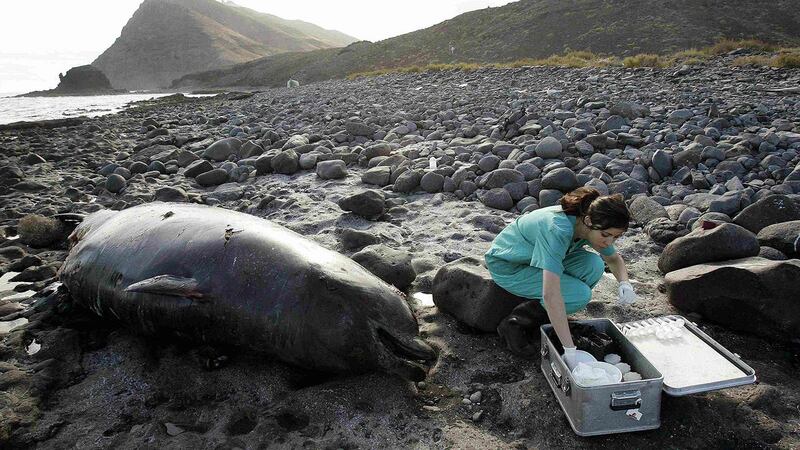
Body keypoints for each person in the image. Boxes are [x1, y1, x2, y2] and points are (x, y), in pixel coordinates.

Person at [484, 187, 638, 367]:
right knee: (579, 295)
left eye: (615, 237)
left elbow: (612, 259)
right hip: (509, 264)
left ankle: (550, 317)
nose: (608, 242)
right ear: (588, 221)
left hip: (534, 256)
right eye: (605, 235)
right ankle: (515, 323)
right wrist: (570, 350)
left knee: (594, 265)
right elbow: (551, 294)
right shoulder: (558, 229)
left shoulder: (589, 221)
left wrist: (625, 284)